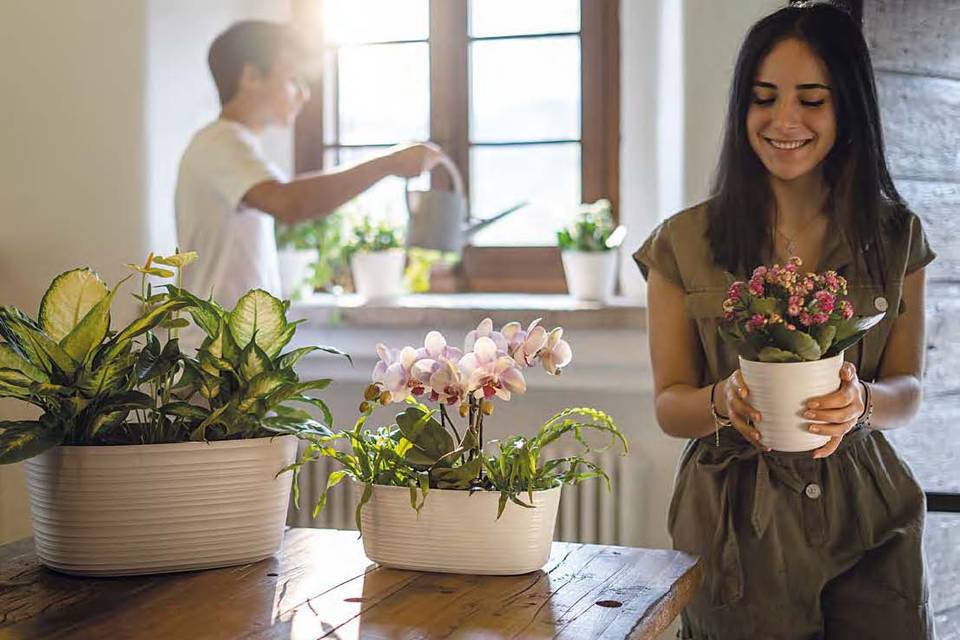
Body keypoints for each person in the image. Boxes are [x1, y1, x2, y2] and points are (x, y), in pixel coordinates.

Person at [634, 4, 935, 638]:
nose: (784, 121)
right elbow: (669, 405)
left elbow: (908, 388)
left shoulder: (896, 236)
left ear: (847, 107)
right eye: (763, 98)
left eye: (812, 100)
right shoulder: (683, 243)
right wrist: (724, 401)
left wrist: (862, 404)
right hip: (733, 526)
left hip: (870, 516)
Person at [175, 20, 443, 308]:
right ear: (251, 76)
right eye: (293, 80)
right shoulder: (220, 144)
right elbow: (290, 203)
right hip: (212, 347)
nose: (304, 94)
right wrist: (388, 164)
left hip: (230, 346)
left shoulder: (235, 145)